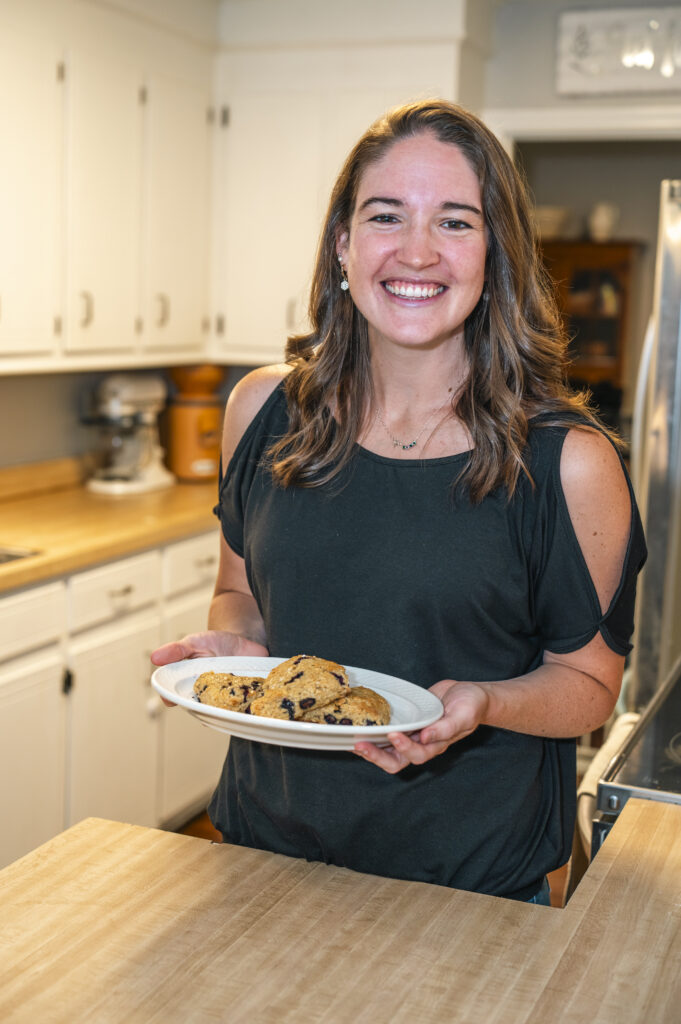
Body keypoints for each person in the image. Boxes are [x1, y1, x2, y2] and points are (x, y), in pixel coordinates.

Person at [151, 99, 647, 903]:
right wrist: (238, 647)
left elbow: (588, 686)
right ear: (343, 245)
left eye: (455, 222)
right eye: (386, 216)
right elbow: (241, 592)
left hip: (469, 885)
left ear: (496, 256)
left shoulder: (568, 462)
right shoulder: (261, 412)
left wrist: (483, 702)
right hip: (261, 851)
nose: (415, 252)